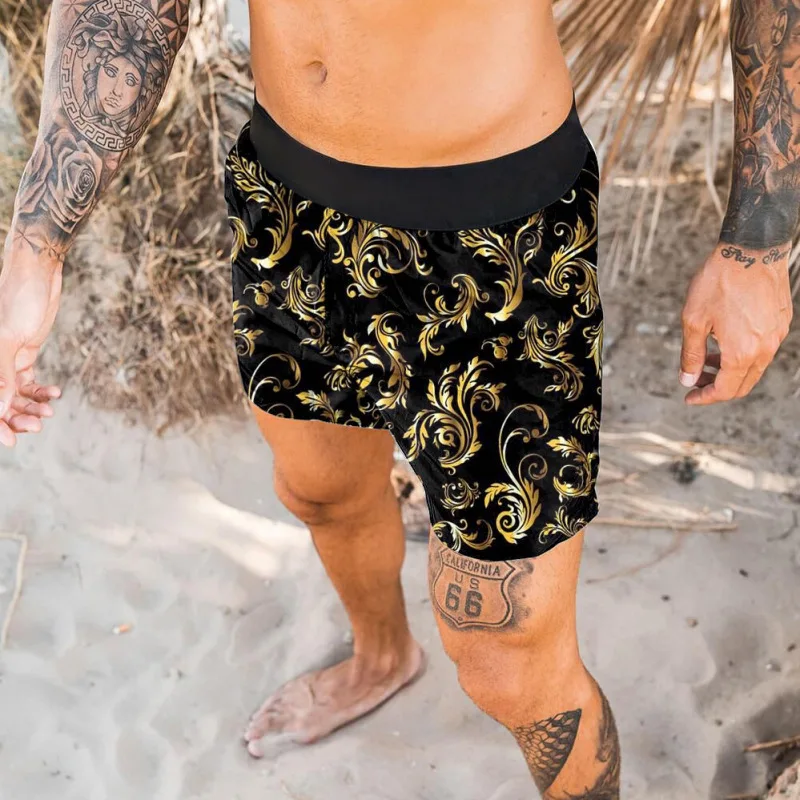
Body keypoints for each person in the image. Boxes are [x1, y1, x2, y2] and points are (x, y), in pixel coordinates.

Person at [0, 0, 794, 796]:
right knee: (322, 492)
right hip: (289, 203)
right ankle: (382, 657)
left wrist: (759, 240)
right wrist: (37, 244)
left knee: (506, 658)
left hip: (494, 237)